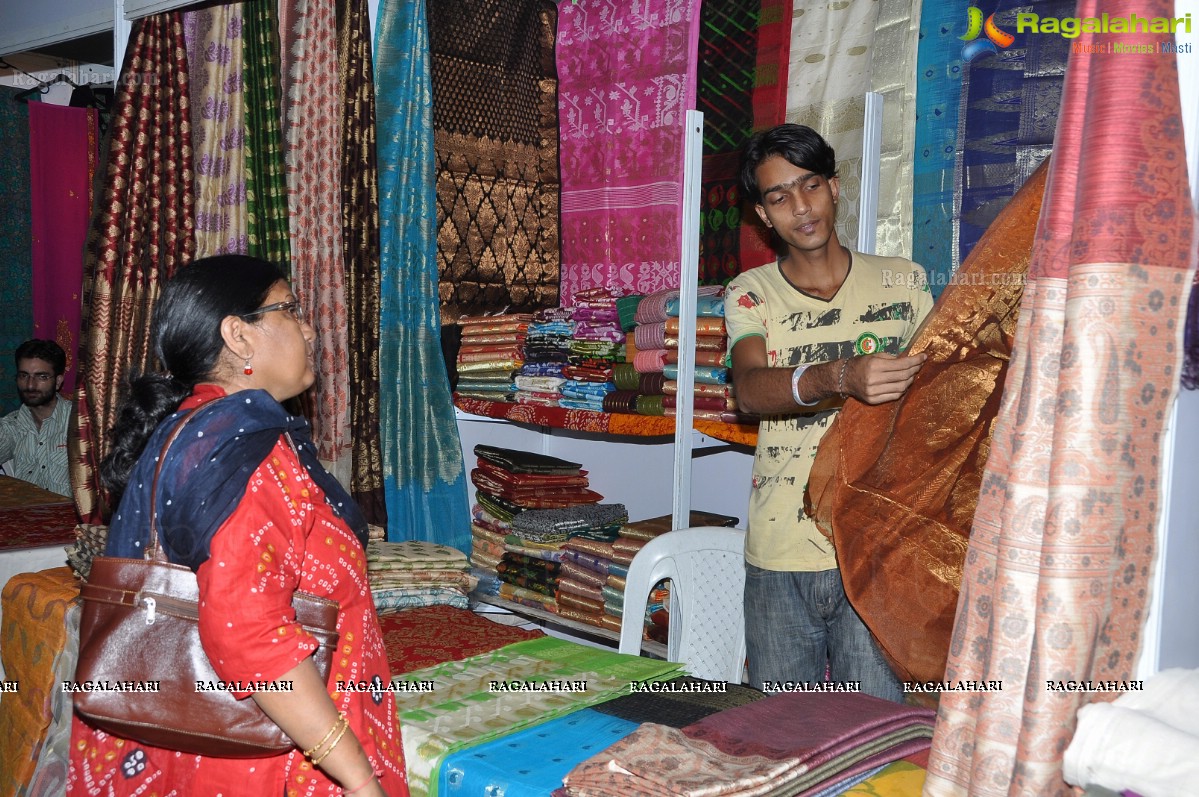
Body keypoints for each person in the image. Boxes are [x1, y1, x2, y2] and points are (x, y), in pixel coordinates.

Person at [67, 256, 407, 797]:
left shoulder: (190, 430)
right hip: (271, 758)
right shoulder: (246, 453)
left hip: (190, 742)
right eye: (289, 309)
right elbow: (251, 638)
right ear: (237, 334)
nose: (309, 326)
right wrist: (359, 777)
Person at [724, 124, 934, 701]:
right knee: (783, 734)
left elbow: (937, 404)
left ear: (835, 188)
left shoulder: (905, 282)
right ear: (763, 216)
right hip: (779, 551)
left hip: (875, 550)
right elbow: (749, 390)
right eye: (778, 196)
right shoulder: (751, 293)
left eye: (810, 185)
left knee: (874, 737)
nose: (800, 207)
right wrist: (840, 377)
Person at [0, 339, 72, 496]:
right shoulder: (12, 426)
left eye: (42, 377)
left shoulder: (78, 423)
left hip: (69, 517)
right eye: (24, 376)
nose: (30, 385)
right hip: (24, 515)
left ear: (58, 381)